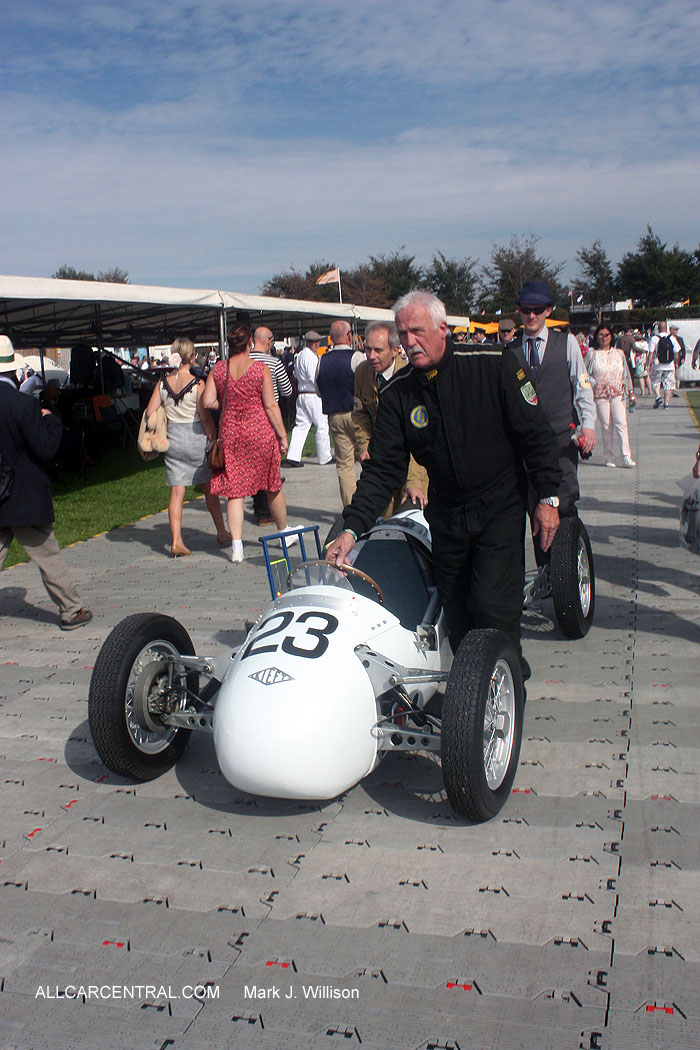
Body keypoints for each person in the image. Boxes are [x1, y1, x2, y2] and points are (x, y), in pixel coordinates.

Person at [325, 291, 561, 678]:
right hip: (447, 514)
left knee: (493, 609)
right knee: (460, 618)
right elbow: (382, 471)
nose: (409, 341)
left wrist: (548, 497)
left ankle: (509, 682)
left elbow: (536, 434)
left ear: (443, 328)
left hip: (499, 506)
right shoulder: (398, 393)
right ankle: (478, 689)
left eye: (417, 331)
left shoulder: (492, 363)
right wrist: (351, 529)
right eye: (403, 334)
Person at [0, 336, 92, 630]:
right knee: (48, 556)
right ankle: (71, 610)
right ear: (15, 371)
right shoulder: (23, 404)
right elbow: (46, 449)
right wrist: (51, 420)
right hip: (24, 493)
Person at [510, 281, 596, 569]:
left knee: (565, 505)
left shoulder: (566, 343)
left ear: (548, 310)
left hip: (561, 441)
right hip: (525, 448)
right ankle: (547, 573)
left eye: (537, 310)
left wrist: (588, 425)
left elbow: (582, 386)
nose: (531, 316)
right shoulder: (510, 351)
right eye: (526, 310)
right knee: (535, 509)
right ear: (519, 311)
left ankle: (570, 571)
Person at [203, 324, 297, 563]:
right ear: (250, 344)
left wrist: (228, 404)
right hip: (259, 431)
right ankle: (284, 533)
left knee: (235, 490)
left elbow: (208, 401)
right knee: (272, 484)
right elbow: (271, 405)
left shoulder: (219, 369)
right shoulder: (260, 368)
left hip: (230, 432)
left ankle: (237, 546)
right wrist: (282, 435)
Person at [145, 337, 229, 557]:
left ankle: (176, 541)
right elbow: (205, 417)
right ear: (191, 357)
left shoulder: (162, 383)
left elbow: (150, 411)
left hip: (173, 440)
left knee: (177, 492)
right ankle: (222, 532)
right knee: (208, 488)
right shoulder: (197, 384)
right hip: (195, 438)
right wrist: (213, 438)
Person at [353, 321, 428, 514]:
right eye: (367, 349)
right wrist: (363, 446)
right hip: (382, 459)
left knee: (411, 513)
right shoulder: (362, 373)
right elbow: (360, 414)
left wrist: (414, 481)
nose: (371, 356)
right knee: (383, 518)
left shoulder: (411, 378)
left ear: (396, 350)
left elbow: (420, 439)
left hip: (411, 460)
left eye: (378, 350)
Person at [250, 327, 293, 524]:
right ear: (269, 341)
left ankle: (258, 506)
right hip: (268, 419)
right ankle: (267, 511)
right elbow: (287, 390)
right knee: (269, 467)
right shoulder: (274, 363)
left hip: (247, 419)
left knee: (252, 465)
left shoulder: (244, 361)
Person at [316, 320, 358, 507]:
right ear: (349, 336)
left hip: (335, 415)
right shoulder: (357, 357)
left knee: (344, 466)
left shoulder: (322, 360)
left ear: (331, 338)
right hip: (357, 415)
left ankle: (350, 507)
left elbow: (318, 389)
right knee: (368, 460)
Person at [585, 325, 636, 468]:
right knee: (606, 426)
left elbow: (626, 374)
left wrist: (631, 391)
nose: (604, 338)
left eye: (607, 334)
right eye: (601, 335)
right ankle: (608, 456)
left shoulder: (618, 354)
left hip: (617, 393)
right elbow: (584, 374)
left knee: (621, 423)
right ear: (596, 337)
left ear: (611, 336)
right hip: (600, 395)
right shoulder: (592, 354)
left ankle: (626, 456)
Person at [285, 331, 332, 468]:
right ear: (309, 343)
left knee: (301, 425)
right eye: (314, 343)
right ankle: (324, 457)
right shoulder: (310, 357)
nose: (317, 345)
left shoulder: (300, 355)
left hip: (302, 394)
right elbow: (315, 377)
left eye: (318, 342)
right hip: (313, 394)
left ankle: (293, 456)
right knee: (322, 424)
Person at [648, 321, 676, 409]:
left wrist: (648, 365)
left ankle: (658, 397)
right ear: (666, 328)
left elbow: (651, 352)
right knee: (668, 384)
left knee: (655, 382)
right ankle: (666, 403)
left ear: (658, 329)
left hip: (657, 365)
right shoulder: (672, 338)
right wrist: (676, 363)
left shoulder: (654, 338)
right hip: (669, 365)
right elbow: (677, 351)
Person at [631, 331, 651, 396]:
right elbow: (648, 351)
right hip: (645, 359)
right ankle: (650, 390)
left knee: (640, 376)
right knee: (647, 376)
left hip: (638, 359)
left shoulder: (635, 344)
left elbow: (632, 353)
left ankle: (642, 391)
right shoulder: (646, 343)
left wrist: (633, 363)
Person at [669, 324, 686, 398]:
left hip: (678, 361)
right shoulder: (668, 338)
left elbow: (683, 349)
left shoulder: (680, 339)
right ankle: (671, 389)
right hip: (670, 360)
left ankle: (675, 390)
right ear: (671, 330)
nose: (677, 331)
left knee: (677, 376)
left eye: (677, 330)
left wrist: (683, 358)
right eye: (675, 330)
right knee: (671, 376)